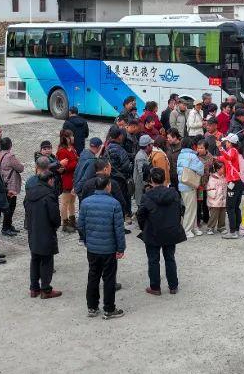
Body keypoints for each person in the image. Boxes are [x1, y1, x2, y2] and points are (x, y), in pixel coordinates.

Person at [79, 176, 127, 319]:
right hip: (109, 248)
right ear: (108, 186)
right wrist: (121, 248)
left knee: (93, 276)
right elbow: (119, 229)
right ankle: (109, 308)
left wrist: (87, 241)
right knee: (109, 278)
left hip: (92, 248)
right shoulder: (114, 204)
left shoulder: (86, 203)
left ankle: (92, 307)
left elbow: (81, 225)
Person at [137, 168, 186, 295]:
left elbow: (140, 215)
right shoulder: (174, 194)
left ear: (151, 180)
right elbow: (182, 209)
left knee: (153, 260)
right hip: (170, 230)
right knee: (170, 258)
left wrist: (144, 227)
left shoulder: (147, 196)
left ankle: (155, 287)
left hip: (153, 231)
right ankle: (173, 286)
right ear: (164, 179)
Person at [25, 168, 63, 299]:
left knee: (34, 259)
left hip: (32, 230)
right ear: (50, 180)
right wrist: (56, 225)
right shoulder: (49, 194)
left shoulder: (30, 192)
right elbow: (54, 216)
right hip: (46, 231)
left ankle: (34, 288)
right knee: (46, 260)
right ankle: (45, 290)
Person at [175, 138, 204, 237]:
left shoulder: (180, 155)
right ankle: (187, 230)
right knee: (190, 209)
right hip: (190, 185)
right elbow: (200, 169)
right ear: (192, 145)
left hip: (182, 184)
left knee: (191, 207)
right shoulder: (192, 156)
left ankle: (194, 228)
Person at [105, 129, 134, 221]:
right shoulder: (120, 150)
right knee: (121, 200)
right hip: (120, 179)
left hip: (110, 177)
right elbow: (127, 167)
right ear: (119, 137)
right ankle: (121, 220)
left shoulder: (107, 147)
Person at [219, 133, 244, 239]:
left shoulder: (232, 151)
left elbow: (228, 157)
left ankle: (233, 231)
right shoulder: (235, 152)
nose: (225, 144)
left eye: (227, 142)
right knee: (235, 207)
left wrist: (220, 148)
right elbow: (226, 159)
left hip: (233, 182)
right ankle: (237, 229)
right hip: (238, 182)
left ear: (230, 143)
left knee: (230, 207)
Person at [0, 137, 24, 236]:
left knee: (8, 205)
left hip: (3, 182)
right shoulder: (10, 156)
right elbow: (20, 168)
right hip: (11, 185)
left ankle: (8, 225)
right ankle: (6, 227)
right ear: (10, 145)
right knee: (10, 206)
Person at [56, 129, 80, 232]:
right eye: (71, 136)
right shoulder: (62, 151)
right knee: (65, 202)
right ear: (65, 138)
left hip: (74, 178)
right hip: (66, 179)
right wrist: (76, 163)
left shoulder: (72, 148)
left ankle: (72, 220)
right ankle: (65, 223)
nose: (73, 138)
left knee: (72, 201)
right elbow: (64, 167)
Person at [204, 143, 228, 234]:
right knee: (214, 215)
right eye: (222, 168)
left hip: (222, 199)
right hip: (214, 200)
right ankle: (210, 227)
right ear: (217, 169)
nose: (223, 170)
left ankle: (221, 227)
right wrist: (214, 196)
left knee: (222, 214)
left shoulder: (224, 177)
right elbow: (209, 189)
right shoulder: (213, 178)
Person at [134, 135, 153, 210]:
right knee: (141, 205)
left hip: (142, 185)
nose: (152, 146)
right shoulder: (141, 157)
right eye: (151, 144)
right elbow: (141, 173)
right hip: (141, 186)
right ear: (147, 146)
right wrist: (146, 185)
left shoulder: (143, 154)